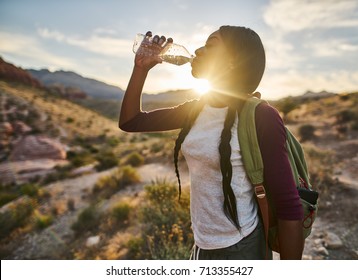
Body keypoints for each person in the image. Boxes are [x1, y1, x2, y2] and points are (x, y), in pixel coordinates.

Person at [119, 26, 304, 260]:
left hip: (242, 248)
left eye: (210, 45)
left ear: (233, 61)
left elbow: (288, 204)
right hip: (201, 245)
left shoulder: (261, 116)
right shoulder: (195, 109)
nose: (197, 50)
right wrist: (140, 70)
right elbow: (131, 122)